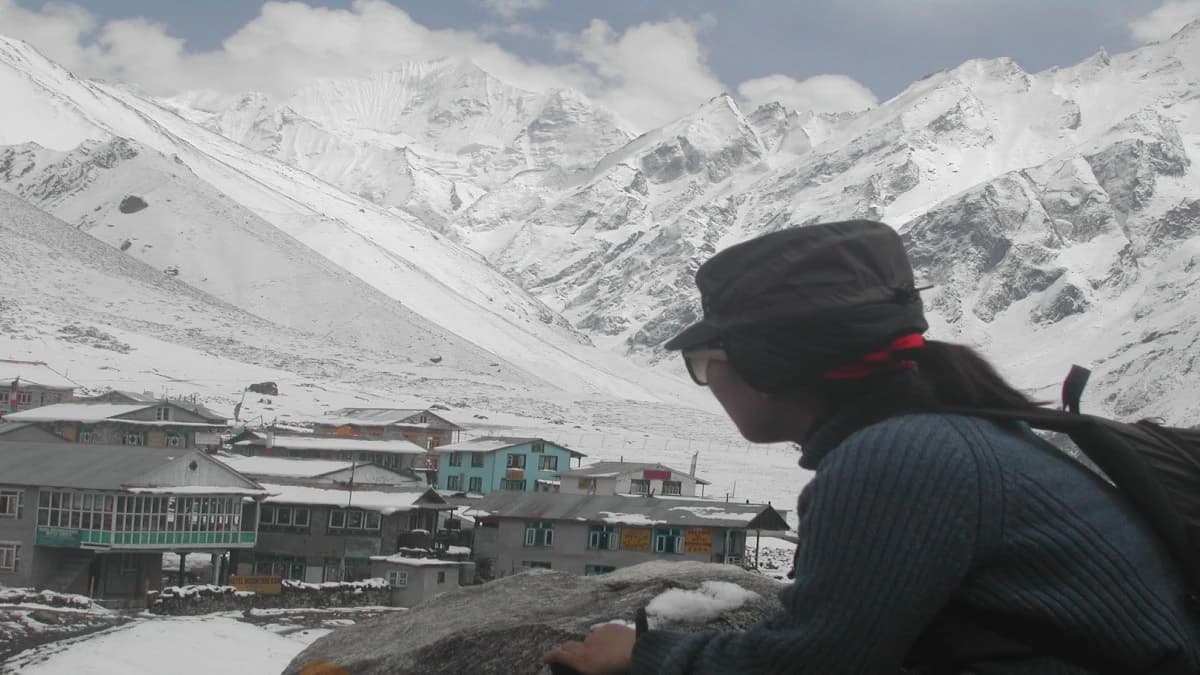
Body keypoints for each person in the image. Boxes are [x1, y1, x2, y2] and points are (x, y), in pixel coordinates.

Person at [543, 220, 1200, 674]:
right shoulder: (953, 429)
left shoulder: (894, 460)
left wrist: (641, 656)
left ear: (770, 365)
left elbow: (813, 663)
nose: (707, 378)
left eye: (707, 358)